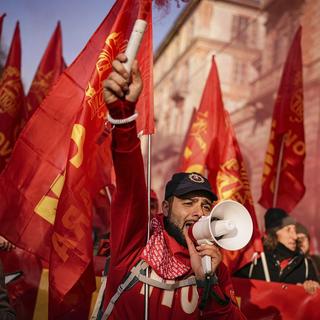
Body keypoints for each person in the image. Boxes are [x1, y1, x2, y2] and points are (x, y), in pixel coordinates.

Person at [100, 54, 245, 319]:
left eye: (206, 206)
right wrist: (122, 116)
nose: (200, 213)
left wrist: (208, 284)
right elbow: (131, 186)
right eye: (188, 203)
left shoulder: (215, 266)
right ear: (166, 208)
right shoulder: (137, 242)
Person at [235, 208, 319, 295]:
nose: (295, 236)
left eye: (294, 230)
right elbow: (235, 289)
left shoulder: (305, 264)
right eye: (288, 230)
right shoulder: (255, 260)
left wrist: (313, 288)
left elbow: (316, 296)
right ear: (274, 233)